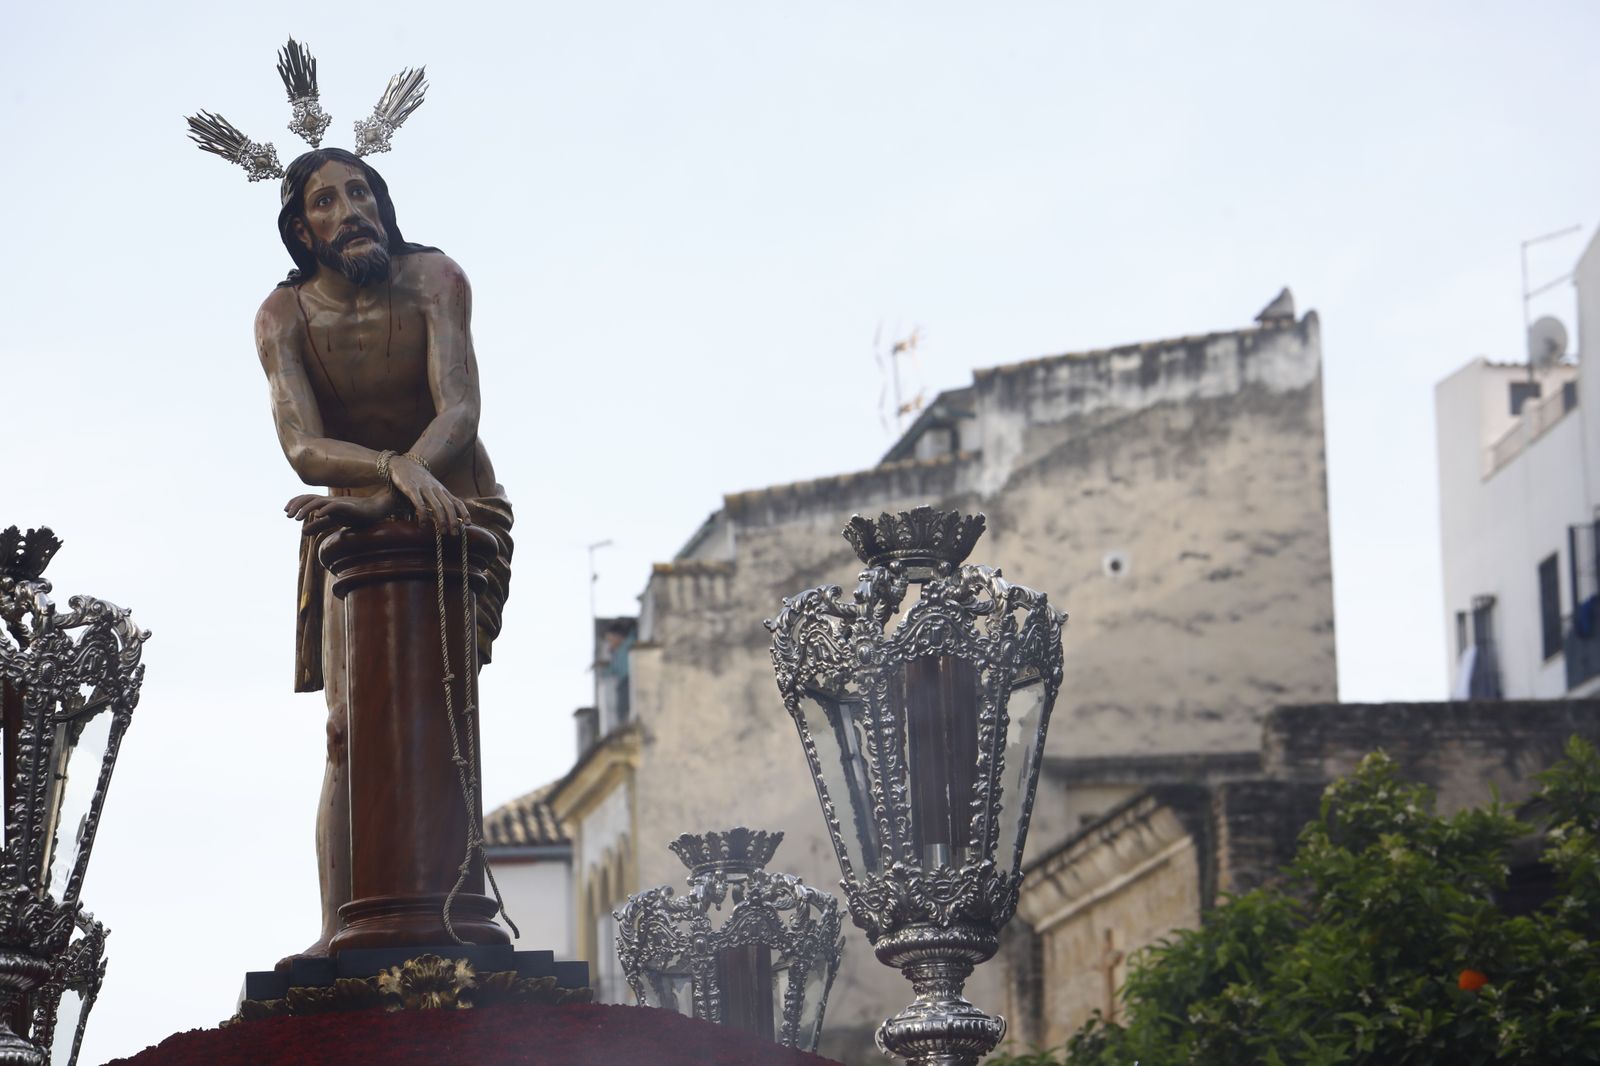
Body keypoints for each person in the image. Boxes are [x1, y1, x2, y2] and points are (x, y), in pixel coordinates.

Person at [253, 146, 513, 961]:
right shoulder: (282, 316)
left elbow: (460, 406)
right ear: (302, 228)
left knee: (444, 710)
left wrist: (401, 483)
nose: (351, 208)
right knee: (342, 731)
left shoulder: (435, 279)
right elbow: (301, 445)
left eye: (360, 191)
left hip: (455, 505)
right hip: (356, 522)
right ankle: (340, 931)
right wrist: (386, 473)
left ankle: (455, 918)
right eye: (327, 200)